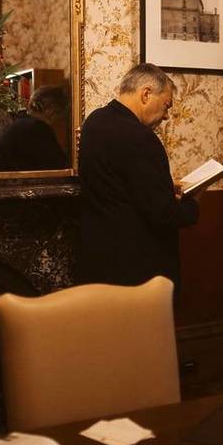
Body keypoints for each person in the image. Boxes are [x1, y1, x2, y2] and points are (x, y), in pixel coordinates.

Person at [75, 63, 200, 288]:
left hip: (98, 258)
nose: (166, 117)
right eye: (166, 106)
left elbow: (120, 183)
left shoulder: (94, 121)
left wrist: (163, 186)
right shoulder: (140, 137)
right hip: (136, 269)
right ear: (146, 94)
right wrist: (194, 201)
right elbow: (163, 214)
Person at [0, 85, 68, 171]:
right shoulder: (37, 128)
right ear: (52, 110)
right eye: (60, 116)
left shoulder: (14, 123)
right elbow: (59, 165)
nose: (59, 121)